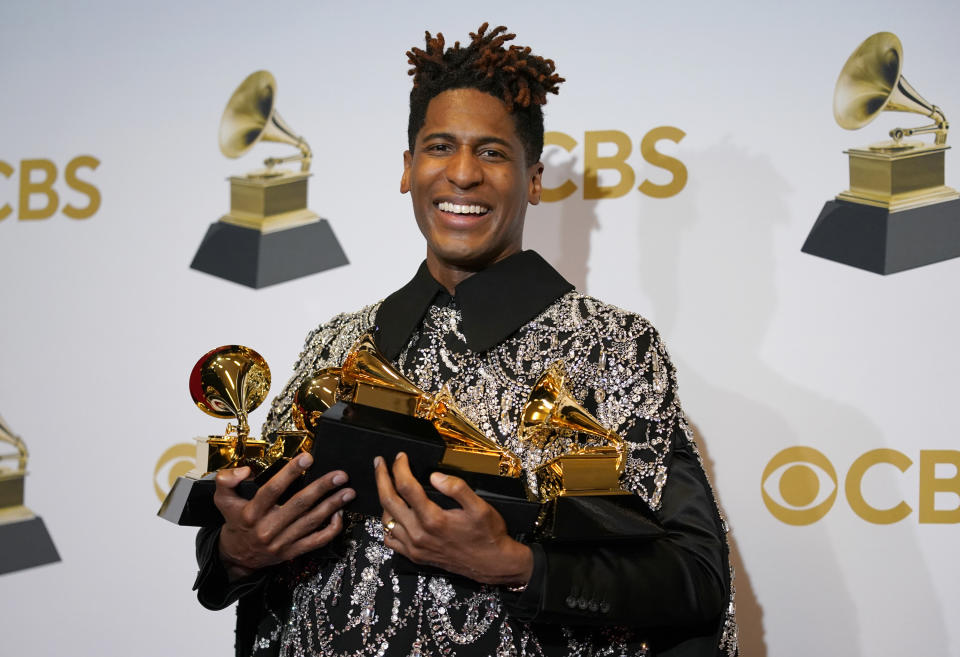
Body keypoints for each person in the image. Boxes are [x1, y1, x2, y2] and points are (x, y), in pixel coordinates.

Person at [195, 23, 738, 657]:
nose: (462, 174)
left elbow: (696, 578)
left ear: (532, 180)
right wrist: (239, 551)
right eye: (440, 146)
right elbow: (233, 549)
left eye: (492, 153)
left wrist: (515, 565)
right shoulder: (334, 345)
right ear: (408, 168)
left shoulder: (611, 347)